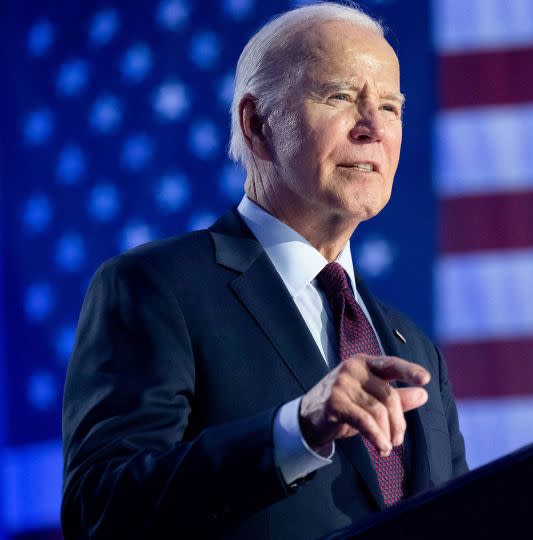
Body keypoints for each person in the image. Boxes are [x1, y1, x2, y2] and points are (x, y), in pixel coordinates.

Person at [61, 3, 468, 538]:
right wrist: (294, 432)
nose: (373, 127)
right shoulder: (156, 288)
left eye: (391, 107)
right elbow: (102, 511)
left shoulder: (413, 349)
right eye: (341, 96)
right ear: (257, 124)